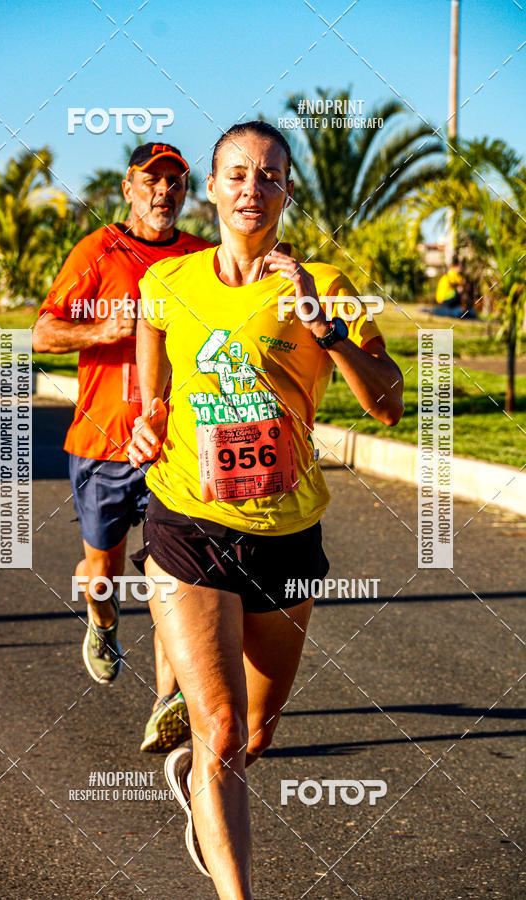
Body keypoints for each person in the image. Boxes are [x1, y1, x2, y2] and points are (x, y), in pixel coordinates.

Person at [128, 121, 404, 898]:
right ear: (212, 189)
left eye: (271, 175)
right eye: (238, 174)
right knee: (219, 727)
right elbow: (154, 382)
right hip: (187, 518)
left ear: (287, 191)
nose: (253, 188)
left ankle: (200, 782)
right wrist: (150, 418)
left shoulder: (328, 283)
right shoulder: (168, 283)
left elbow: (388, 403)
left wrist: (327, 329)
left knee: (253, 733)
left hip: (287, 531)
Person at [32, 143, 212, 753]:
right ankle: (102, 621)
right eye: (151, 181)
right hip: (103, 443)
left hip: (173, 446)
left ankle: (169, 702)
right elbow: (42, 332)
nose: (164, 192)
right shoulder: (98, 250)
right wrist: (105, 328)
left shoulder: (200, 259)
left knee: (175, 577)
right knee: (103, 573)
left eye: (175, 182)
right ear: (129, 188)